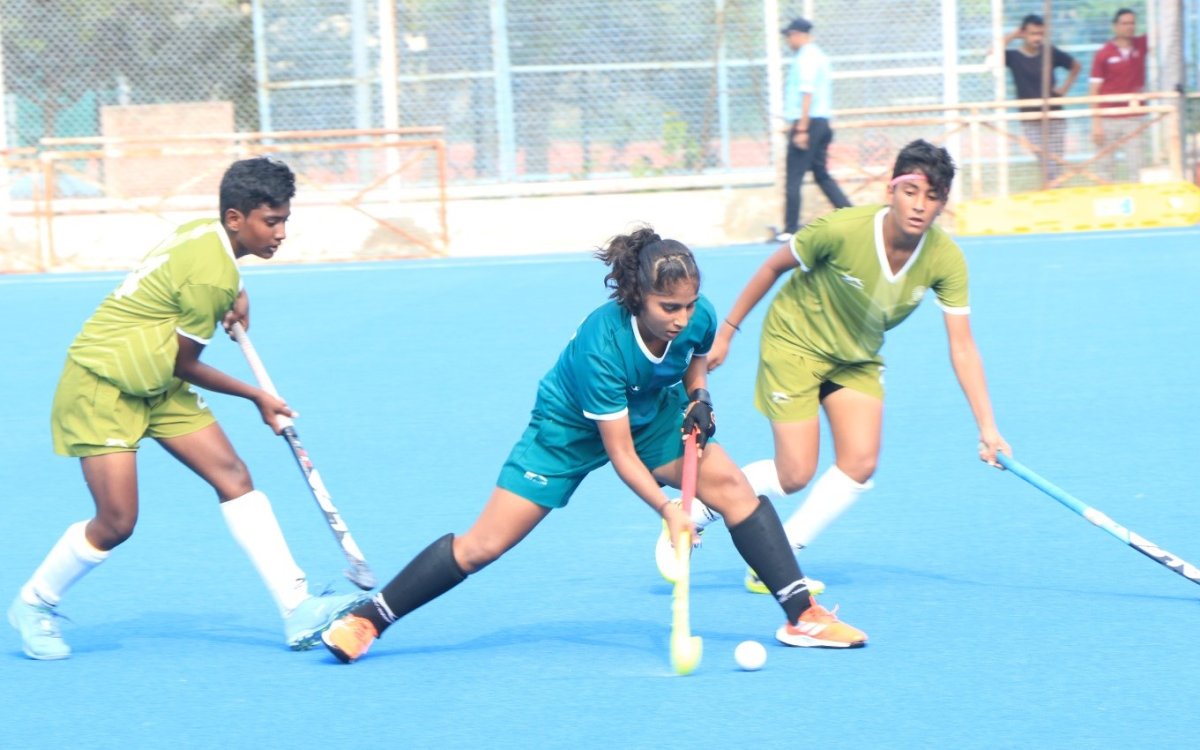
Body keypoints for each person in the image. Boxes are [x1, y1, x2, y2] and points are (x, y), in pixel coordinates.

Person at [320, 227, 868, 664]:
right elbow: (621, 454)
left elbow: (699, 350)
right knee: (484, 544)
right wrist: (670, 510)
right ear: (637, 299)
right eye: (667, 308)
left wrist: (699, 395)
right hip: (566, 430)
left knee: (733, 487)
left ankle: (803, 615)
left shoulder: (693, 314)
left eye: (687, 305)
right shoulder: (600, 345)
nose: (680, 318)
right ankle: (370, 617)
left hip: (652, 409)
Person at [8, 157, 363, 660]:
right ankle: (34, 604)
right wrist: (257, 397)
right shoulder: (209, 279)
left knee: (234, 476)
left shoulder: (204, 231)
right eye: (272, 221)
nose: (281, 233)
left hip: (154, 379)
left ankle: (296, 606)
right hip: (104, 382)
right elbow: (186, 363)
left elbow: (203, 285)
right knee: (116, 522)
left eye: (285, 220)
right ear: (236, 218)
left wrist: (239, 290)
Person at [655, 140, 1010, 594]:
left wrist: (987, 427)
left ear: (943, 203)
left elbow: (962, 347)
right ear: (891, 189)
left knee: (860, 462)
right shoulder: (844, 229)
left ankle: (778, 558)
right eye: (911, 191)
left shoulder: (945, 258)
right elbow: (773, 266)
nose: (920, 205)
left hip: (856, 357)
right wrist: (727, 331)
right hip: (795, 344)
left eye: (933, 196)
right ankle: (696, 506)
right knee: (794, 475)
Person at [778, 17, 851, 242]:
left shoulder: (806, 58)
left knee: (794, 177)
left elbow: (807, 93)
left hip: (808, 124)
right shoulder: (818, 55)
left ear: (799, 35)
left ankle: (790, 228)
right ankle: (850, 213)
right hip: (820, 123)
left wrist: (801, 129)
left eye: (790, 35)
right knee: (820, 174)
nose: (788, 40)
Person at [999, 14, 1082, 185]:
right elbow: (992, 55)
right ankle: (1053, 188)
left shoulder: (1049, 51)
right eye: (1032, 34)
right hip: (1030, 118)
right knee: (1044, 158)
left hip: (1054, 115)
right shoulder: (1014, 56)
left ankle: (1053, 190)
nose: (1037, 38)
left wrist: (1063, 90)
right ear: (1024, 33)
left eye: (1040, 34)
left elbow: (1075, 66)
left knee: (1056, 159)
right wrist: (1013, 35)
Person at [1089, 8, 1148, 182]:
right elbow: (1094, 90)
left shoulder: (1141, 45)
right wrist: (1096, 124)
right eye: (1124, 23)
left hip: (1133, 117)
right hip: (1108, 117)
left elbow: (1164, 32)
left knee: (1136, 164)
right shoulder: (1103, 53)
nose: (1129, 27)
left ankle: (1136, 202)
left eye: (1132, 23)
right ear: (1115, 26)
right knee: (1105, 165)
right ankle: (1107, 201)